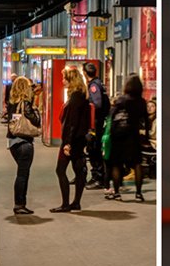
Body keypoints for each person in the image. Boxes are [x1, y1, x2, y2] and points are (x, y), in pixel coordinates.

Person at [52, 67, 91, 213]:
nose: (62, 81)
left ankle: (65, 204)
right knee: (78, 170)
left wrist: (67, 143)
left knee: (60, 170)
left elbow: (71, 123)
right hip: (80, 139)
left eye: (65, 78)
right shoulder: (83, 96)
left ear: (71, 80)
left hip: (71, 140)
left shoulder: (75, 98)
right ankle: (76, 202)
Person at [106, 74, 149, 201]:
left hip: (119, 136)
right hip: (133, 136)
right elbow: (145, 120)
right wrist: (144, 136)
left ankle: (117, 192)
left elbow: (111, 115)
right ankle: (139, 194)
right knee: (137, 164)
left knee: (116, 164)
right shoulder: (141, 102)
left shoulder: (121, 100)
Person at [5, 76, 39, 215]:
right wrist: (36, 110)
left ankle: (20, 203)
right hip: (24, 142)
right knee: (23, 175)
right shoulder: (26, 103)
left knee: (21, 174)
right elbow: (35, 120)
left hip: (13, 141)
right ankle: (19, 204)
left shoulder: (12, 103)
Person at [83, 62, 110, 190]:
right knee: (95, 148)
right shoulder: (100, 83)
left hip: (96, 122)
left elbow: (97, 103)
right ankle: (98, 176)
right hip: (100, 121)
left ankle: (98, 177)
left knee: (94, 148)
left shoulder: (93, 85)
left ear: (84, 73)